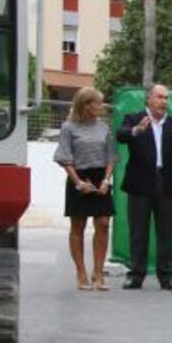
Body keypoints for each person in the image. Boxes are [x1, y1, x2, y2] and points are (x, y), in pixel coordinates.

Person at [116, 84, 172, 290]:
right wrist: (136, 130)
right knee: (138, 232)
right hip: (139, 183)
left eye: (166, 98)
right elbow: (120, 135)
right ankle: (136, 275)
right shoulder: (134, 118)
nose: (164, 101)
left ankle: (166, 276)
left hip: (166, 183)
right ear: (148, 99)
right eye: (160, 97)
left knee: (165, 233)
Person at [53, 86, 117, 291]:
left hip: (100, 177)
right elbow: (64, 158)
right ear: (86, 105)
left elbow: (111, 157)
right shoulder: (68, 127)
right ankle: (81, 272)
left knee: (103, 223)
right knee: (78, 225)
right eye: (97, 102)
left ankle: (98, 272)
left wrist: (106, 181)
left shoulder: (104, 128)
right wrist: (79, 183)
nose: (101, 106)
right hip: (78, 177)